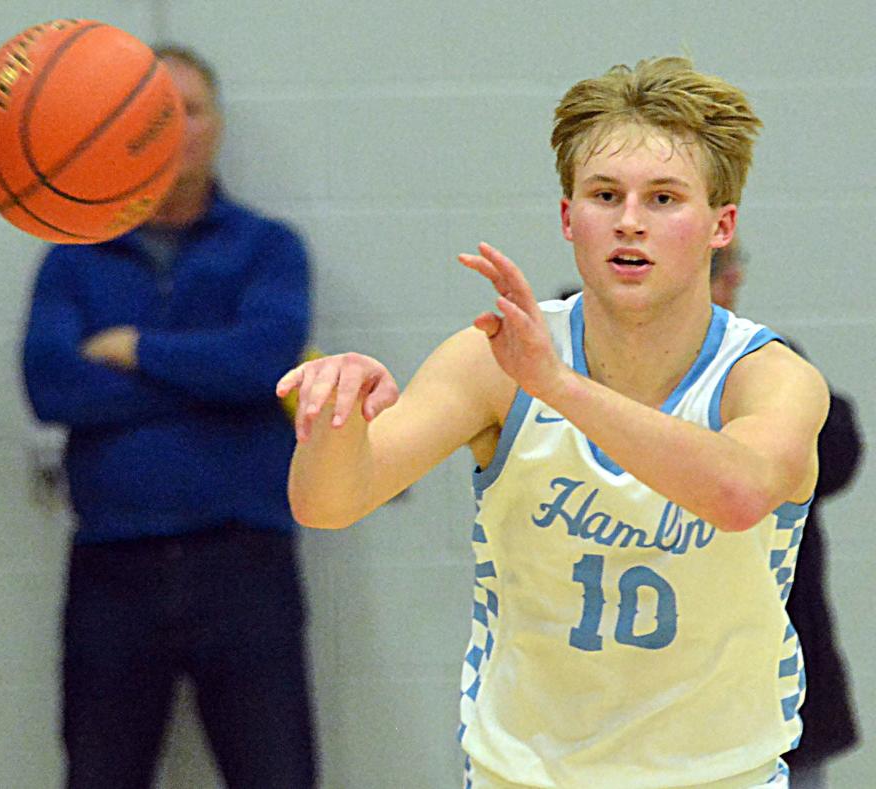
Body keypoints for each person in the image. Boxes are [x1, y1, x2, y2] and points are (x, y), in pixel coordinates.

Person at [277, 57, 830, 788]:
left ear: (719, 226)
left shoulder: (768, 377)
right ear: (570, 216)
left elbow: (737, 495)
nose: (630, 219)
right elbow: (327, 502)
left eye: (664, 197)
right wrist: (335, 416)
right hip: (526, 774)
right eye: (606, 194)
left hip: (721, 774)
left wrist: (558, 387)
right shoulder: (492, 360)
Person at [22, 45, 316, 788]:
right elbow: (52, 386)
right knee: (99, 775)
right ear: (119, 127)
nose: (173, 127)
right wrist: (212, 377)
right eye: (153, 112)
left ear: (216, 125)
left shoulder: (268, 248)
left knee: (279, 774)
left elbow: (266, 361)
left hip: (245, 565)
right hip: (112, 571)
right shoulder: (73, 256)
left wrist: (134, 349)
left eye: (188, 109)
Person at [711, 242, 862, 788]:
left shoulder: (766, 364)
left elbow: (839, 455)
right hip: (638, 696)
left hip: (776, 682)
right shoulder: (575, 370)